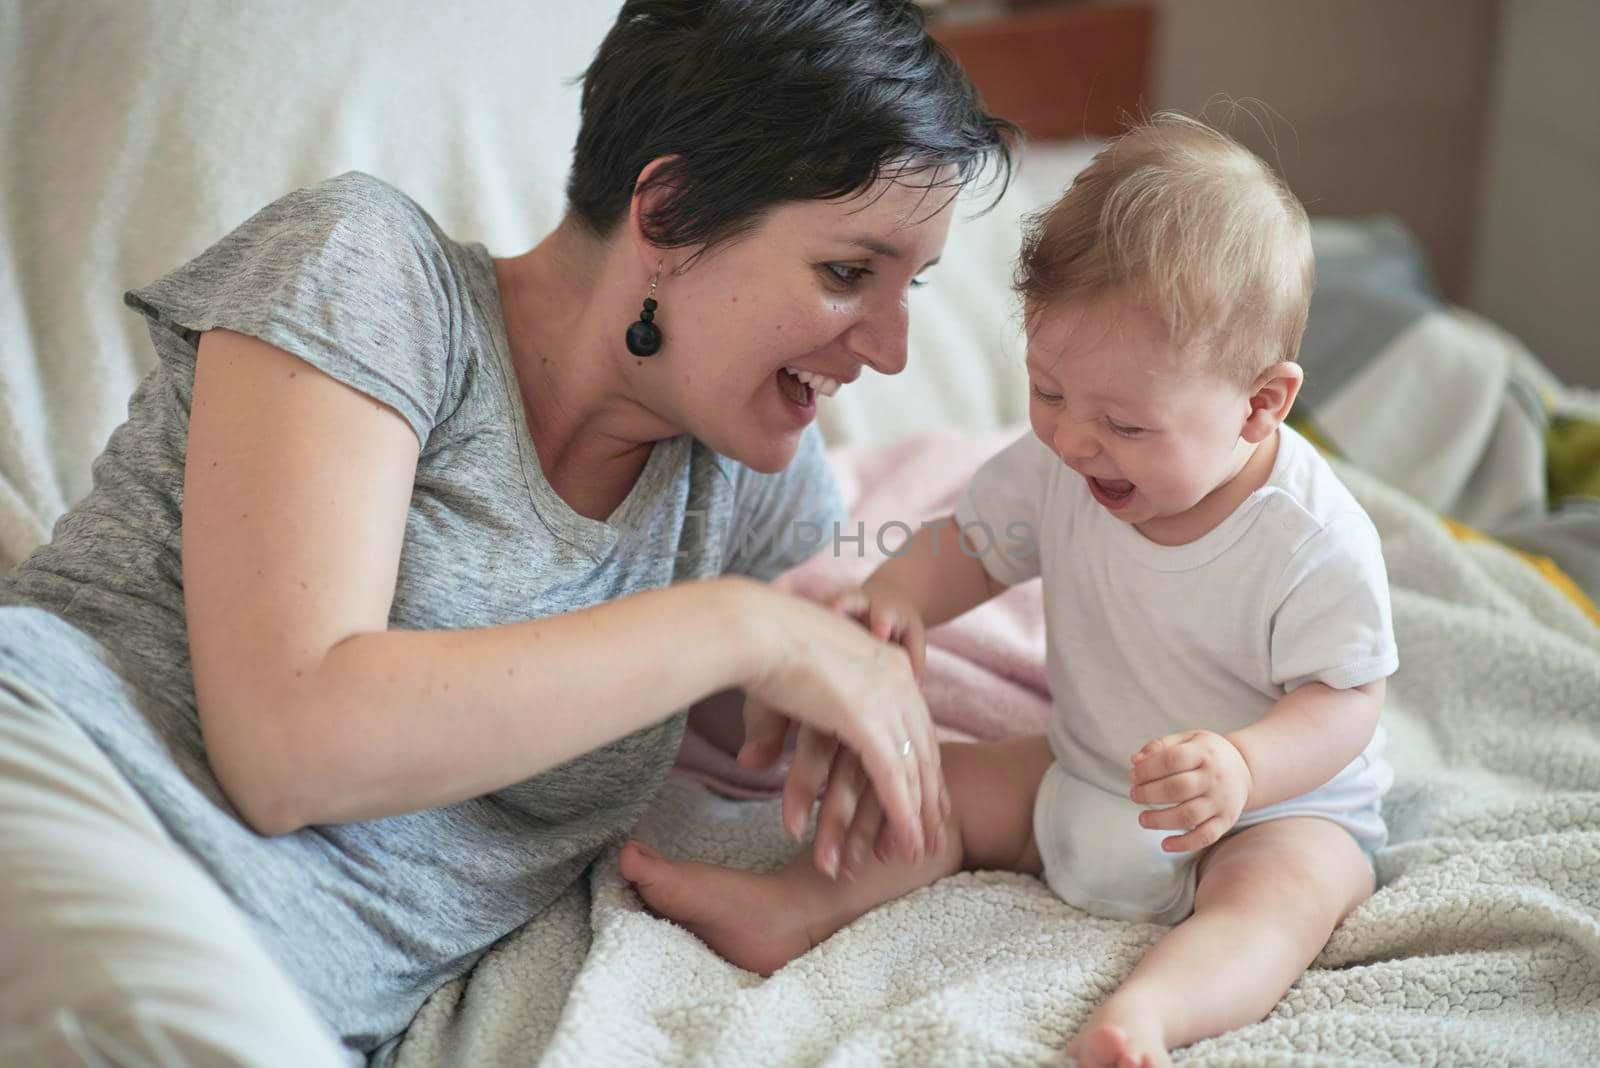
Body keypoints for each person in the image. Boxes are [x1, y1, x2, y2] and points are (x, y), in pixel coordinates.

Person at [0, 2, 1017, 1063]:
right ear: (667, 214)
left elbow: (752, 713)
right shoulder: (372, 271)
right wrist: (743, 629)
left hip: (288, 1002)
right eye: (849, 273)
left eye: (915, 288)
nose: (893, 351)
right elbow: (289, 744)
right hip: (69, 786)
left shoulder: (747, 481)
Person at [622, 114, 1399, 1068]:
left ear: (1260, 404)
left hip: (1269, 811)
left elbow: (1347, 699)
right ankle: (791, 907)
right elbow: (973, 546)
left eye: (1124, 422)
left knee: (1279, 904)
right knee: (921, 790)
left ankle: (1148, 1016)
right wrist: (895, 598)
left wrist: (1244, 768)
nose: (1074, 440)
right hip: (1081, 765)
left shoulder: (1310, 540)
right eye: (1048, 390)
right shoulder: (1059, 465)